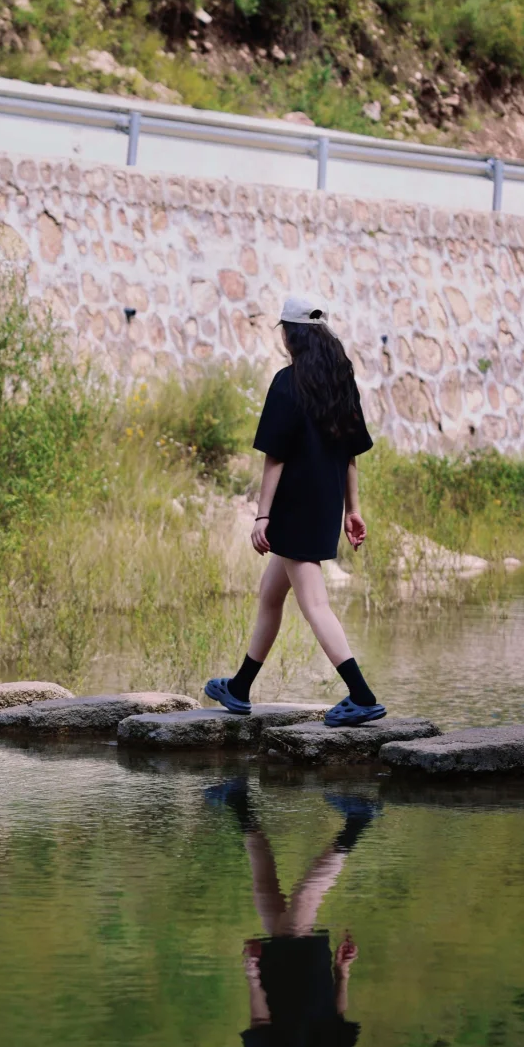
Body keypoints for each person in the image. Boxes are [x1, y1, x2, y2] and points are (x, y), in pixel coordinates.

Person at [205, 295, 385, 727]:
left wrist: (262, 516)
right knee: (271, 595)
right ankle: (241, 687)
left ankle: (362, 696)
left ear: (291, 333)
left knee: (315, 604)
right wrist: (352, 510)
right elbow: (350, 454)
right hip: (323, 504)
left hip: (293, 506)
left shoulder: (288, 382)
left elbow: (276, 456)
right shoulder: (341, 382)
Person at [206, 779, 374, 1047]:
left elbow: (338, 1026)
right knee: (303, 901)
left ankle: (240, 803)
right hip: (284, 987)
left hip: (313, 986)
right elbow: (261, 1025)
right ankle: (358, 822)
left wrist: (342, 972)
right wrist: (252, 975)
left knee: (268, 892)